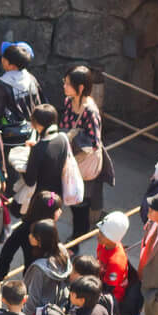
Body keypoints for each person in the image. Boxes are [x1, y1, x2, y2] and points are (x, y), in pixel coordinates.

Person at [60, 67, 107, 240]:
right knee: (72, 197)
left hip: (83, 162)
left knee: (80, 200)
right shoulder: (68, 101)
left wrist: (72, 141)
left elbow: (93, 142)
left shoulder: (90, 111)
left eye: (68, 84)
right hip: (71, 159)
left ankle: (79, 234)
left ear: (80, 88)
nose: (64, 86)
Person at [0, 43, 40, 151]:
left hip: (8, 135)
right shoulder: (31, 78)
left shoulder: (2, 83)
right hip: (29, 131)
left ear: (12, 65)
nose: (2, 59)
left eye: (4, 58)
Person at [20, 219, 71, 315]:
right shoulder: (62, 251)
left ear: (41, 241)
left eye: (33, 235)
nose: (29, 236)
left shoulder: (39, 268)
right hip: (57, 308)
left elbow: (33, 299)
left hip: (40, 314)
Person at [94, 210, 130, 312]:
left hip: (111, 296)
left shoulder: (116, 262)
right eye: (100, 231)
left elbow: (108, 289)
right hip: (101, 278)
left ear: (112, 238)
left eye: (102, 233)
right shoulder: (103, 243)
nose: (98, 235)